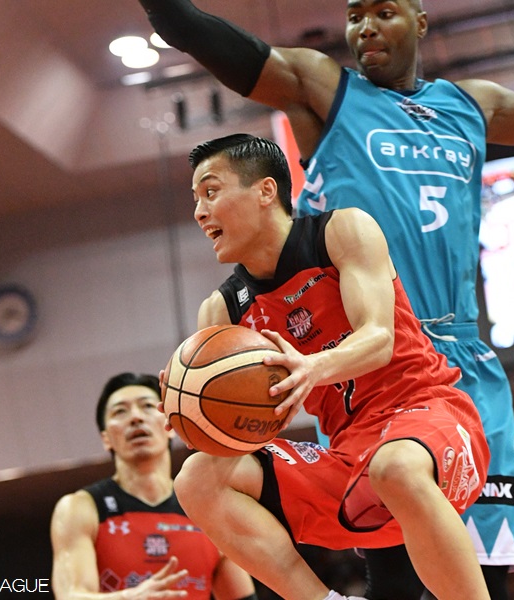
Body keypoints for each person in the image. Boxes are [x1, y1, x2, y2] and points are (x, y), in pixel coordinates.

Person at [135, 1, 514, 597]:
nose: (365, 27)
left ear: (420, 21)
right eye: (354, 16)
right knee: (392, 574)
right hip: (353, 378)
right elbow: (215, 42)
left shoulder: (468, 106)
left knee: (483, 558)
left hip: (445, 363)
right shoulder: (327, 93)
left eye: (384, 12)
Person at [173, 133, 491, 600]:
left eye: (211, 192)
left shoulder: (341, 231)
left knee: (396, 466)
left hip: (429, 417)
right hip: (349, 464)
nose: (200, 212)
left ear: (265, 191)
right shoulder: (221, 311)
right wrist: (194, 414)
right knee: (197, 478)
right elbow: (244, 429)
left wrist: (311, 367)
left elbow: (378, 338)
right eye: (196, 199)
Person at [50, 372, 258, 600]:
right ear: (106, 438)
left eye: (147, 406)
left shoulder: (208, 510)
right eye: (120, 411)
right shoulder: (80, 508)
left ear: (170, 426)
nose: (135, 417)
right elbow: (69, 595)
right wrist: (128, 598)